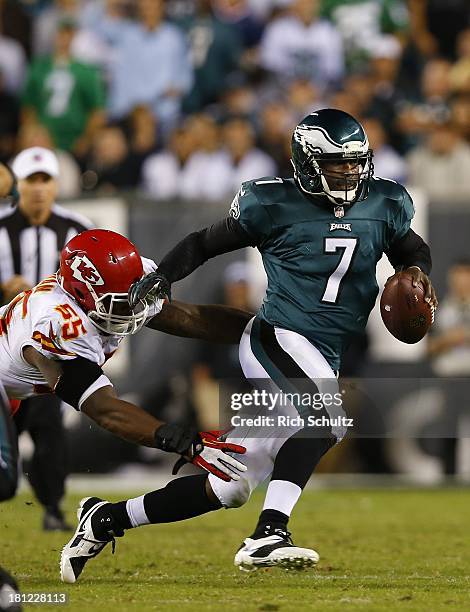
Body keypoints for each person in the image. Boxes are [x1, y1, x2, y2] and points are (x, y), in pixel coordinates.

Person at [64, 109, 437, 579]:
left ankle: (105, 519)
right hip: (276, 337)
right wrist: (161, 277)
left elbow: (410, 247)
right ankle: (269, 533)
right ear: (305, 161)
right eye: (336, 162)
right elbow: (203, 243)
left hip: (325, 351)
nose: (348, 171)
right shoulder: (272, 203)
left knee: (230, 485)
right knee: (324, 420)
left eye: (354, 161)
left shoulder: (384, 202)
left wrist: (418, 271)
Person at [3, 146, 93, 531]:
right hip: (4, 348)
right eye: (31, 181)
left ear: (56, 185)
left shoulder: (78, 229)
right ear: (18, 185)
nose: (38, 189)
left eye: (45, 180)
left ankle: (53, 507)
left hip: (49, 349)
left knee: (49, 427)